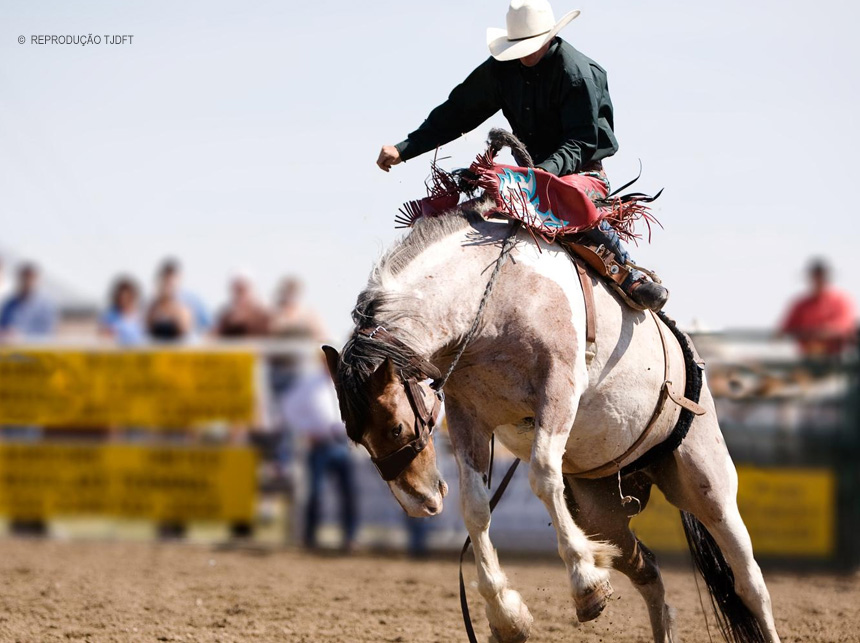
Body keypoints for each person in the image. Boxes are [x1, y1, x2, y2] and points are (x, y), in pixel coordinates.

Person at [376, 0, 668, 311]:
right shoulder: (501, 70)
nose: (523, 53)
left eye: (529, 45)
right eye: (517, 46)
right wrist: (404, 149)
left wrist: (534, 177)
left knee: (567, 202)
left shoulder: (578, 74)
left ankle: (626, 271)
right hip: (524, 178)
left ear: (548, 38)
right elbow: (457, 113)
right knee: (454, 216)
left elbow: (580, 143)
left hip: (580, 174)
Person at [281, 357, 358, 551]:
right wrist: (306, 429)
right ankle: (310, 537)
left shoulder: (348, 382)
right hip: (320, 444)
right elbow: (289, 408)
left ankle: (349, 537)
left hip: (342, 443)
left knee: (347, 493)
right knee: (316, 493)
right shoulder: (309, 383)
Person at [780, 259, 856, 357]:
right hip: (806, 356)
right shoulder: (800, 303)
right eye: (815, 276)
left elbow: (844, 327)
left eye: (821, 276)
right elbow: (784, 329)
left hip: (835, 358)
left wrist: (815, 334)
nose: (818, 279)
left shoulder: (841, 301)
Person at [0, 262, 56, 339]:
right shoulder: (9, 303)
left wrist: (22, 336)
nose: (26, 282)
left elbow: (47, 333)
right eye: (24, 278)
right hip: (11, 349)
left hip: (35, 349)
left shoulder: (46, 306)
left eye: (29, 279)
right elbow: (3, 326)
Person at [215, 271, 270, 338]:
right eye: (236, 291)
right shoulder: (225, 318)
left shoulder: (264, 317)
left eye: (242, 290)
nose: (239, 296)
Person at [146, 262, 193, 341]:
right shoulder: (152, 308)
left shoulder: (182, 308)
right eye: (165, 281)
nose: (167, 286)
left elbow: (184, 330)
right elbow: (147, 328)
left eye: (170, 283)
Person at [99, 276, 146, 346]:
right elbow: (103, 335)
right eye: (121, 297)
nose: (124, 300)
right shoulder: (110, 315)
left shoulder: (140, 315)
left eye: (127, 297)